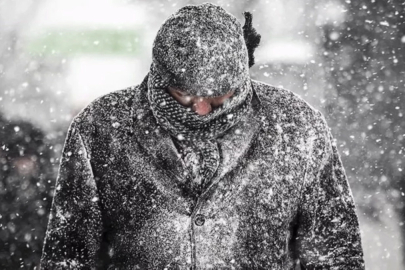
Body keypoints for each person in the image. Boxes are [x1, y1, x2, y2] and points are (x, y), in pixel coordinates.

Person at [40, 3, 365, 269]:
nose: (201, 110)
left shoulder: (297, 127)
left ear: (242, 75)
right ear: (159, 76)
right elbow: (68, 255)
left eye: (218, 96)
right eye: (184, 94)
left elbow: (334, 253)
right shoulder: (100, 128)